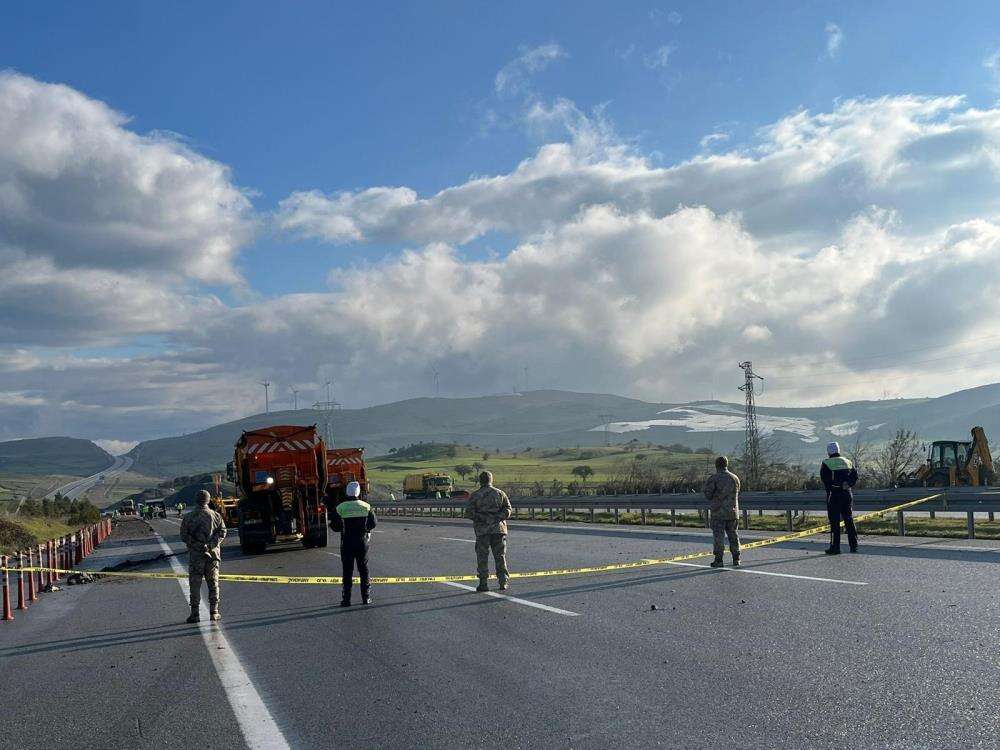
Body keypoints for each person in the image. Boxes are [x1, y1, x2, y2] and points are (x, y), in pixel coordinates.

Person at [179, 490, 227, 623]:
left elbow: (183, 535)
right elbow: (222, 532)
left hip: (196, 556)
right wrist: (210, 545)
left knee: (195, 585)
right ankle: (214, 612)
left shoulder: (188, 517)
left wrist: (196, 545)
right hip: (212, 556)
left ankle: (195, 614)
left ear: (196, 500)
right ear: (208, 500)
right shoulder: (216, 516)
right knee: (213, 583)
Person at [329, 481, 377, 607]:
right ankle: (366, 598)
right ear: (358, 492)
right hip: (362, 542)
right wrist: (365, 529)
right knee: (364, 570)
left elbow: (334, 526)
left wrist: (342, 528)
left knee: (347, 571)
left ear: (347, 492)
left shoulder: (341, 507)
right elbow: (373, 523)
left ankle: (346, 600)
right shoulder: (366, 506)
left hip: (347, 543)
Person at [465, 471, 512, 591]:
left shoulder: (475, 495)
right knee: (500, 556)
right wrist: (497, 517)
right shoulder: (500, 493)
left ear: (480, 481)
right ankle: (503, 582)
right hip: (498, 529)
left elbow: (469, 513)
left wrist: (482, 518)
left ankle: (483, 583)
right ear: (491, 480)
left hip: (483, 530)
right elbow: (508, 509)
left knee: (482, 557)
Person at [703, 456, 741, 568]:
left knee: (719, 537)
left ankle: (719, 560)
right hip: (733, 512)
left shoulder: (714, 478)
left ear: (716, 465)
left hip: (718, 512)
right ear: (726, 464)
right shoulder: (735, 478)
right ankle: (736, 558)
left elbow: (708, 495)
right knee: (733, 535)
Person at [821, 441, 859, 554]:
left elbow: (825, 479)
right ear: (838, 450)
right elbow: (855, 476)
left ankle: (835, 547)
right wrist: (848, 484)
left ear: (828, 452)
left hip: (834, 495)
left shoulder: (826, 463)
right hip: (847, 494)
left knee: (835, 522)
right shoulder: (847, 461)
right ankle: (854, 546)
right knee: (849, 519)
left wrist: (833, 489)